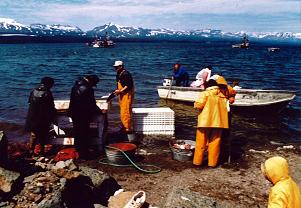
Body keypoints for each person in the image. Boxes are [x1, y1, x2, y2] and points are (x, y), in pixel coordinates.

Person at [193, 79, 228, 167]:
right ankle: (212, 163)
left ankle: (197, 162)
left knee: (201, 142)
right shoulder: (222, 95)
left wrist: (195, 104)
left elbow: (199, 105)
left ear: (207, 86)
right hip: (219, 123)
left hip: (205, 122)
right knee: (215, 143)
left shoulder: (205, 93)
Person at [68, 75, 103, 159]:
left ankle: (78, 151)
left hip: (74, 113)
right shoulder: (88, 89)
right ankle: (84, 154)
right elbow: (92, 104)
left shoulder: (75, 86)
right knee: (84, 133)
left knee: (77, 132)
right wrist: (99, 111)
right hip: (83, 114)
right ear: (91, 81)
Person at [25, 77, 57, 156]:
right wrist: (54, 115)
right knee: (42, 134)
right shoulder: (47, 92)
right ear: (49, 84)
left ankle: (31, 151)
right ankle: (42, 151)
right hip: (42, 117)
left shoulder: (33, 90)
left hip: (32, 116)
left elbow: (29, 102)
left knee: (33, 134)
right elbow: (50, 106)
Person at [113, 60, 134, 133]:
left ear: (121, 66)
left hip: (127, 94)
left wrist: (120, 91)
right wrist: (117, 90)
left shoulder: (126, 74)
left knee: (126, 111)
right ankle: (124, 126)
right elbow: (119, 84)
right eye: (115, 67)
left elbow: (128, 86)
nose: (115, 69)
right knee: (122, 110)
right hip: (122, 94)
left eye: (117, 67)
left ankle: (127, 128)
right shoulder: (119, 73)